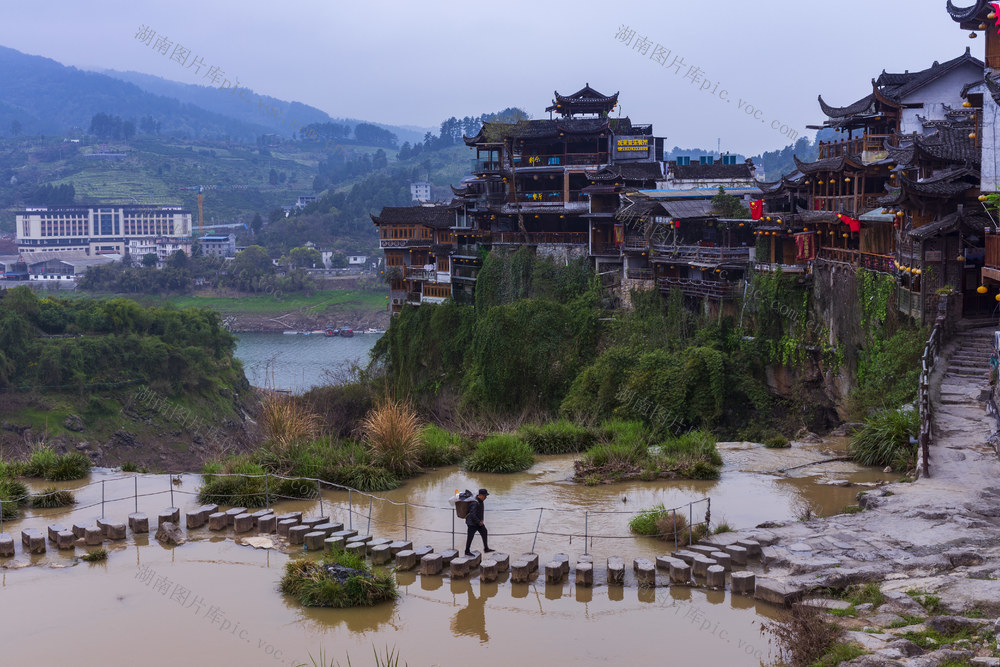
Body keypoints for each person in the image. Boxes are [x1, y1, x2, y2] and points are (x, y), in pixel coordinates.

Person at [464, 488, 494, 556]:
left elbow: (480, 512)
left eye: (486, 496)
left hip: (478, 522)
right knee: (470, 537)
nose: (486, 497)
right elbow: (472, 514)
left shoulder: (481, 501)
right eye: (485, 496)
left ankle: (486, 548)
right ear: (480, 495)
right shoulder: (475, 502)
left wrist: (481, 520)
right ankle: (467, 551)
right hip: (471, 523)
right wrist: (479, 521)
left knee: (484, 532)